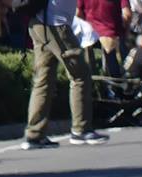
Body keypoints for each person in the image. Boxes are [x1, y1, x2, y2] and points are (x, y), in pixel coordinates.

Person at [23, 0, 109, 148]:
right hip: (55, 23)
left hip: (40, 21)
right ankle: (80, 129)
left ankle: (34, 135)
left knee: (43, 80)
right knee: (80, 75)